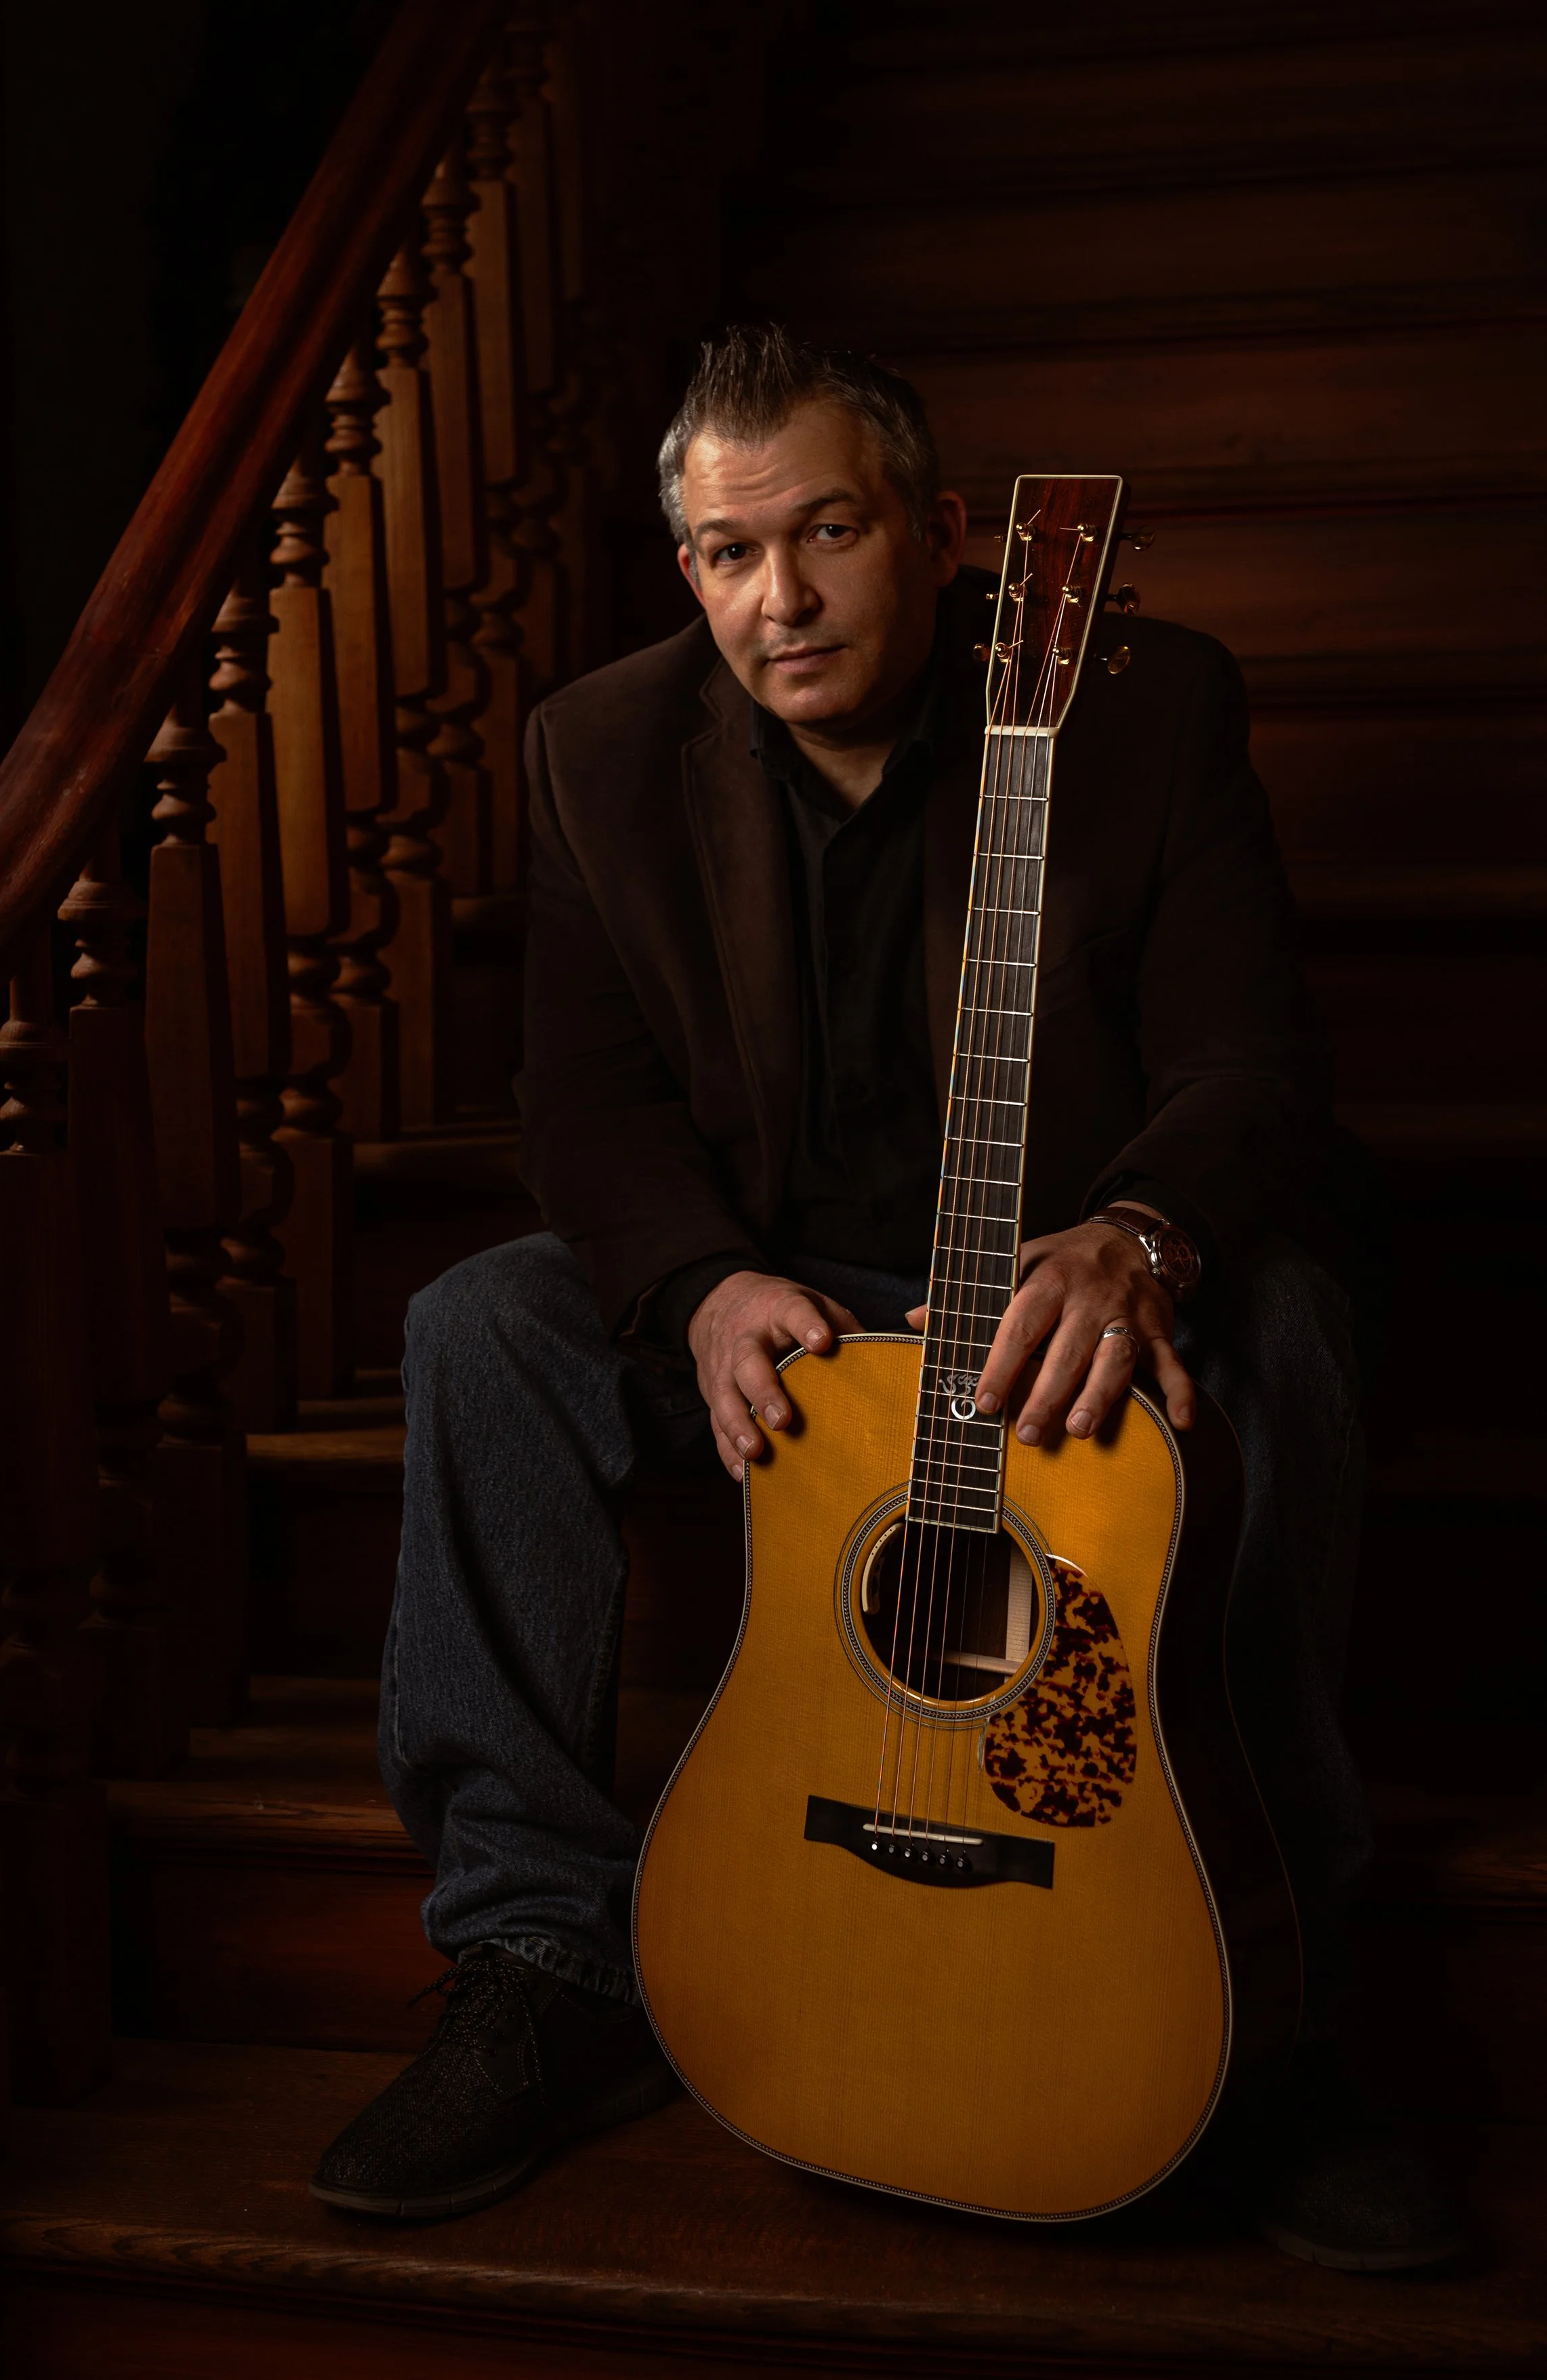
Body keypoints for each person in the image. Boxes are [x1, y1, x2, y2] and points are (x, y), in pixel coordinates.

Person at [311, 325, 1459, 2270]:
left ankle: (1275, 1991)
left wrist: (1137, 1236)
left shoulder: (1139, 703)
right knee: (479, 1324)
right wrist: (688, 1284)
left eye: (827, 530)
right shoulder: (600, 748)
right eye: (726, 551)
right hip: (802, 1308)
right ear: (682, 567)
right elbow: (580, 1109)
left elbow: (1247, 1064)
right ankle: (537, 1955)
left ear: (931, 532)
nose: (782, 594)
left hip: (1054, 1291)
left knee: (1276, 1323)